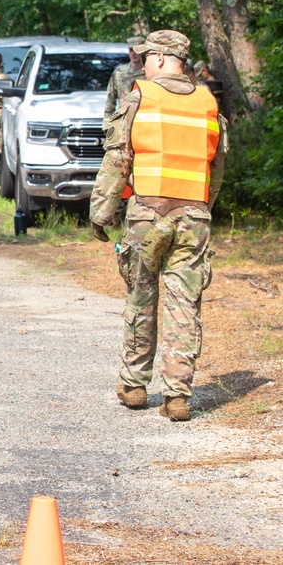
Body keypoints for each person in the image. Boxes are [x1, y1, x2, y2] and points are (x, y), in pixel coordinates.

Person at [89, 30, 226, 423]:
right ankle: (179, 396)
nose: (144, 61)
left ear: (163, 58)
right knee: (185, 305)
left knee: (141, 297)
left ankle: (134, 385)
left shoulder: (141, 96)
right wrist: (203, 208)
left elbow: (118, 160)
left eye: (148, 56)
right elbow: (216, 169)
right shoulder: (207, 103)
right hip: (193, 216)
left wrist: (102, 212)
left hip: (147, 214)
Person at [104, 37, 146, 117]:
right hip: (124, 118)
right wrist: (107, 124)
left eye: (136, 50)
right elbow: (110, 99)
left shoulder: (149, 72)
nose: (133, 53)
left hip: (144, 118)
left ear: (142, 51)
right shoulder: (119, 72)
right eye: (131, 50)